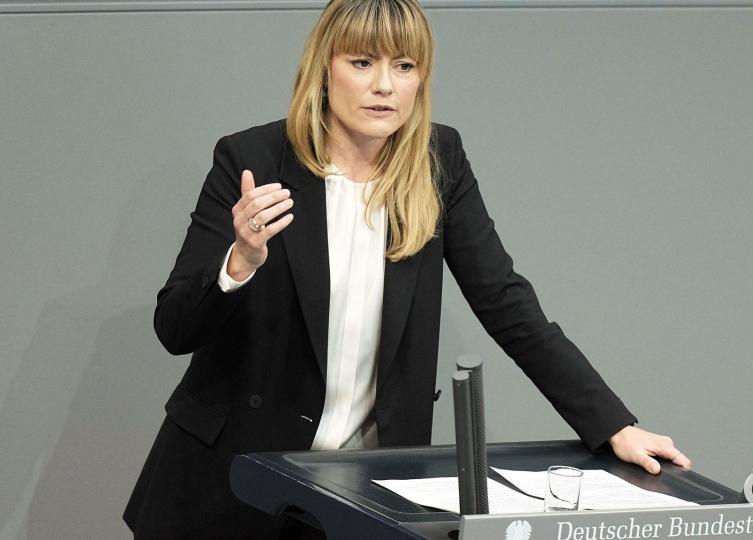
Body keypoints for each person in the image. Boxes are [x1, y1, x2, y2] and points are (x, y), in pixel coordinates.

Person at [123, 0, 691, 538]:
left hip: (362, 493)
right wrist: (239, 260)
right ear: (324, 67)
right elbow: (174, 328)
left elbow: (508, 304)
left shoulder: (438, 162)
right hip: (232, 485)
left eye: (404, 65)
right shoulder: (251, 158)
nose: (384, 85)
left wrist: (613, 425)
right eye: (363, 62)